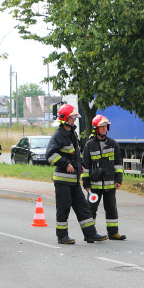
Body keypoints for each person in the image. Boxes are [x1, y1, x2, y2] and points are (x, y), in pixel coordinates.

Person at [46, 104, 108, 244]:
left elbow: (74, 154)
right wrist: (65, 164)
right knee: (64, 208)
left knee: (83, 207)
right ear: (64, 119)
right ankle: (62, 236)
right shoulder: (58, 135)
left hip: (74, 181)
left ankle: (90, 234)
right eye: (71, 118)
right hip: (62, 181)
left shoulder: (72, 134)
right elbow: (50, 155)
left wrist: (81, 165)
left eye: (74, 117)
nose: (74, 120)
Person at [82, 115, 126, 240]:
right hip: (94, 185)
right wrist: (86, 183)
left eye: (106, 126)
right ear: (96, 128)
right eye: (102, 126)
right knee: (90, 210)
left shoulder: (113, 144)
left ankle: (113, 233)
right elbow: (85, 166)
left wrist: (118, 180)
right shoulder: (89, 145)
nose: (104, 128)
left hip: (110, 184)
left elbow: (118, 164)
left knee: (111, 208)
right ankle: (89, 234)